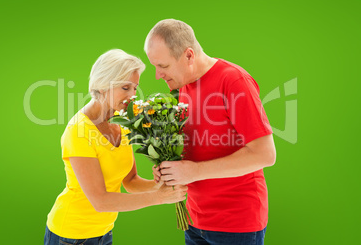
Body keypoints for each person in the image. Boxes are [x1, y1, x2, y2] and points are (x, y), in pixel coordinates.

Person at [145, 19, 276, 245]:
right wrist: (168, 169)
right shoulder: (183, 85)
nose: (158, 75)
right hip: (195, 221)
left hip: (236, 226)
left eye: (163, 66)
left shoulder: (233, 81)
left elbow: (265, 154)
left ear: (188, 56)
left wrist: (194, 172)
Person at [44, 49, 187, 245]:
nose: (133, 96)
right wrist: (158, 197)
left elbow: (130, 181)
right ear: (103, 86)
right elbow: (100, 201)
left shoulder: (122, 123)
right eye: (125, 87)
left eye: (135, 88)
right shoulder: (79, 131)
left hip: (105, 233)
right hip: (70, 236)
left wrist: (161, 184)